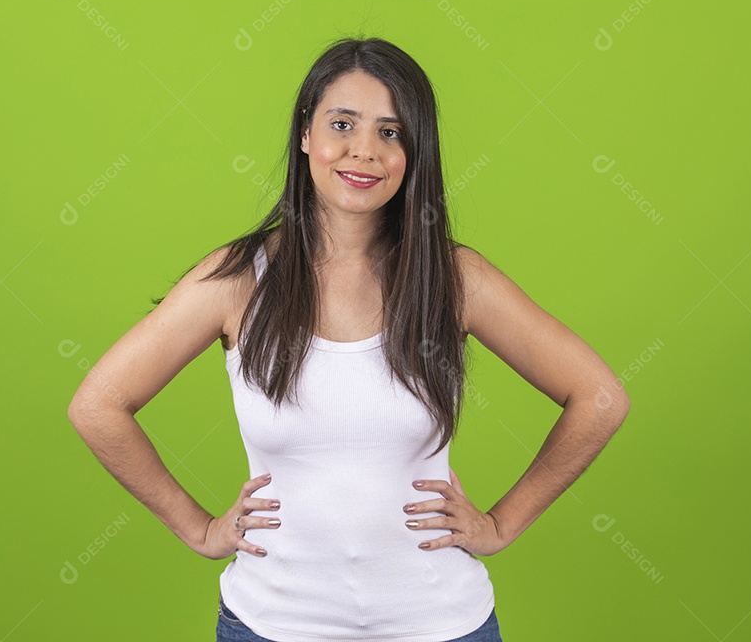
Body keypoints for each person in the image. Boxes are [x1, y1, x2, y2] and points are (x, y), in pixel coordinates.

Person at [67, 36, 631, 641]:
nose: (364, 152)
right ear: (305, 133)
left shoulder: (455, 279)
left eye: (391, 133)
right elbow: (98, 406)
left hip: (441, 625)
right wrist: (199, 529)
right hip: (271, 626)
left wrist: (500, 524)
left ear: (416, 152)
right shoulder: (235, 280)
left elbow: (600, 396)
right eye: (343, 124)